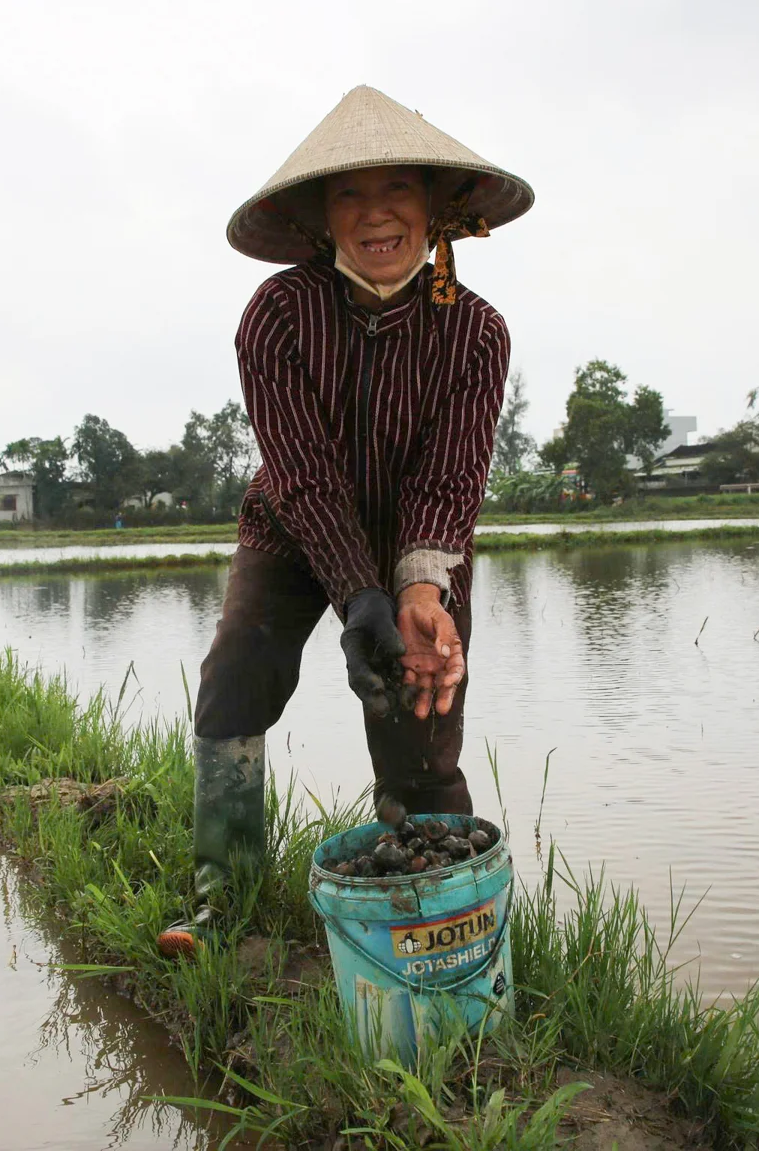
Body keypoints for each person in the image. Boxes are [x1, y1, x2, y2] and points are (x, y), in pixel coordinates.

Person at [159, 85, 534, 955]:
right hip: (294, 532)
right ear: (320, 218)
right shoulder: (278, 316)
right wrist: (356, 595)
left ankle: (432, 913)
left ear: (436, 209)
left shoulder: (477, 332)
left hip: (421, 549)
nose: (376, 215)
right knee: (236, 677)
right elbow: (302, 473)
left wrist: (414, 592)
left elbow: (451, 476)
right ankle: (223, 902)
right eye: (349, 195)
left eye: (397, 189)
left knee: (421, 718)